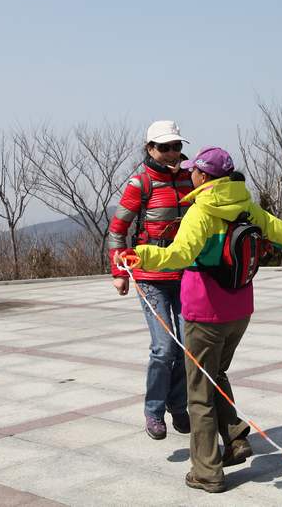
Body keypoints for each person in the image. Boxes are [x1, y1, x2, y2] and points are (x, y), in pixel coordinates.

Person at [114, 146, 282, 493]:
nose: (189, 171)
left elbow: (178, 255)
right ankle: (236, 437)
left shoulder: (201, 212)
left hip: (204, 312)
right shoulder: (247, 206)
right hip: (240, 311)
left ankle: (207, 472)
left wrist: (139, 255)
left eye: (194, 168)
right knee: (216, 373)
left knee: (199, 393)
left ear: (205, 177)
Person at [106, 120, 194, 440]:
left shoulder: (190, 180)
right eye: (164, 147)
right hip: (149, 276)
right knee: (164, 347)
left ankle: (179, 404)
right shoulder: (139, 183)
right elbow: (118, 230)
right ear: (150, 149)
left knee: (190, 345)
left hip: (185, 274)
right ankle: (154, 411)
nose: (172, 153)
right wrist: (119, 273)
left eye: (177, 146)